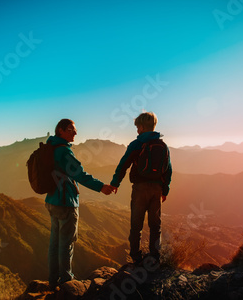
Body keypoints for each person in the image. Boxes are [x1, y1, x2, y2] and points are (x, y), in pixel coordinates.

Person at [45, 119, 114, 288]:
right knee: (66, 243)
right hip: (65, 202)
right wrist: (101, 187)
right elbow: (79, 175)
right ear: (60, 130)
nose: (75, 133)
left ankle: (53, 281)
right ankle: (67, 281)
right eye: (71, 130)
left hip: (52, 200)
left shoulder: (50, 148)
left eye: (75, 130)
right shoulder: (64, 152)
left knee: (54, 243)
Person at [110, 112, 172, 264]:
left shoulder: (136, 144)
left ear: (143, 127)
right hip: (157, 189)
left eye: (138, 127)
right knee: (155, 225)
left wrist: (115, 183)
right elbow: (168, 170)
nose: (137, 130)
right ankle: (154, 257)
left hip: (140, 189)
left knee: (136, 224)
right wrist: (165, 191)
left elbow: (123, 164)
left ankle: (136, 257)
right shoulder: (163, 145)